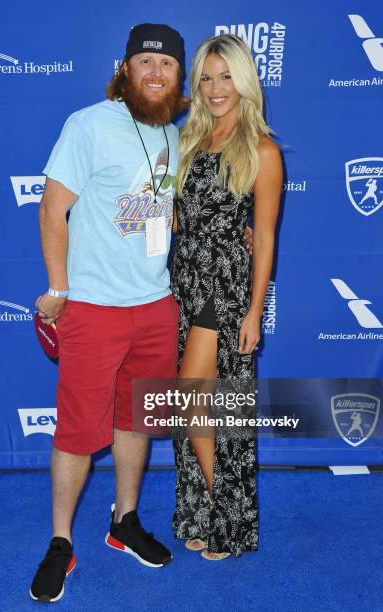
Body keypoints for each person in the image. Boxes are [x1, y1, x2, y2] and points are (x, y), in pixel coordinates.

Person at [30, 23, 188, 603]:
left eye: (165, 64)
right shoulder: (89, 124)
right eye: (143, 62)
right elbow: (53, 209)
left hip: (154, 305)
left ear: (177, 76)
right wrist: (59, 287)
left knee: (136, 419)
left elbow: (156, 210)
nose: (154, 72)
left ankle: (124, 522)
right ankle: (60, 542)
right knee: (76, 428)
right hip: (93, 308)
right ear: (124, 70)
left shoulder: (170, 132)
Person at [170, 34, 282, 560]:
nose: (216, 88)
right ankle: (205, 514)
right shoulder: (187, 141)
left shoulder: (262, 149)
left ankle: (225, 517)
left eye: (226, 76)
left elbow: (263, 238)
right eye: (207, 78)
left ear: (245, 80)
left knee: (193, 399)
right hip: (182, 282)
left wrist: (255, 309)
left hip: (223, 284)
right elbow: (174, 219)